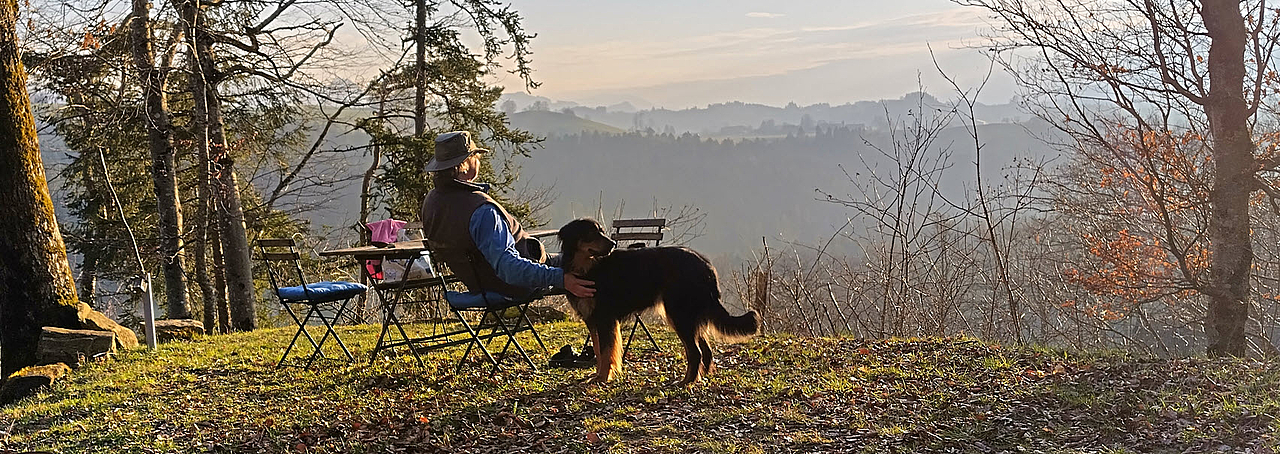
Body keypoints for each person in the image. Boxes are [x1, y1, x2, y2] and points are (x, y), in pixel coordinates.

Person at [420, 130, 595, 299]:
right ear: (464, 166)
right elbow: (510, 268)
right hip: (516, 285)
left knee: (577, 261)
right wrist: (560, 278)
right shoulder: (481, 210)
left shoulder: (432, 202)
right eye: (475, 157)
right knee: (593, 264)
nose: (479, 162)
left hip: (480, 285)